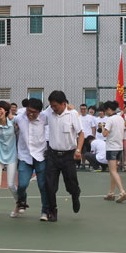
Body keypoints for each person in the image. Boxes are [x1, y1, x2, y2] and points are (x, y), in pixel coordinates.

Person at [44, 90, 84, 222]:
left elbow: (81, 133)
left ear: (63, 103)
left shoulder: (73, 114)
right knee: (50, 185)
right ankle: (52, 210)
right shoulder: (49, 113)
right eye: (51, 106)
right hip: (52, 155)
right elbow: (36, 116)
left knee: (71, 184)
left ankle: (75, 195)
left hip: (69, 155)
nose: (53, 108)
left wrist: (78, 150)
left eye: (55, 106)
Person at [14, 98, 50, 221]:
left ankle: (45, 211)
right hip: (25, 156)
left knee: (43, 186)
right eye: (28, 111)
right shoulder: (19, 118)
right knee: (22, 184)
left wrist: (70, 109)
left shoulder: (44, 117)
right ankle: (22, 200)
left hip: (40, 156)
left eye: (33, 112)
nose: (30, 114)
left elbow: (56, 114)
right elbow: (5, 119)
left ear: (39, 112)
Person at [102, 101, 126, 201]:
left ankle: (122, 191)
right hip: (119, 147)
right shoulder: (120, 118)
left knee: (113, 171)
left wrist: (102, 126)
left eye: (106, 110)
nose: (105, 112)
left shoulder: (110, 119)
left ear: (109, 109)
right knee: (113, 171)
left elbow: (104, 134)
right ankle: (111, 193)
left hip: (111, 147)